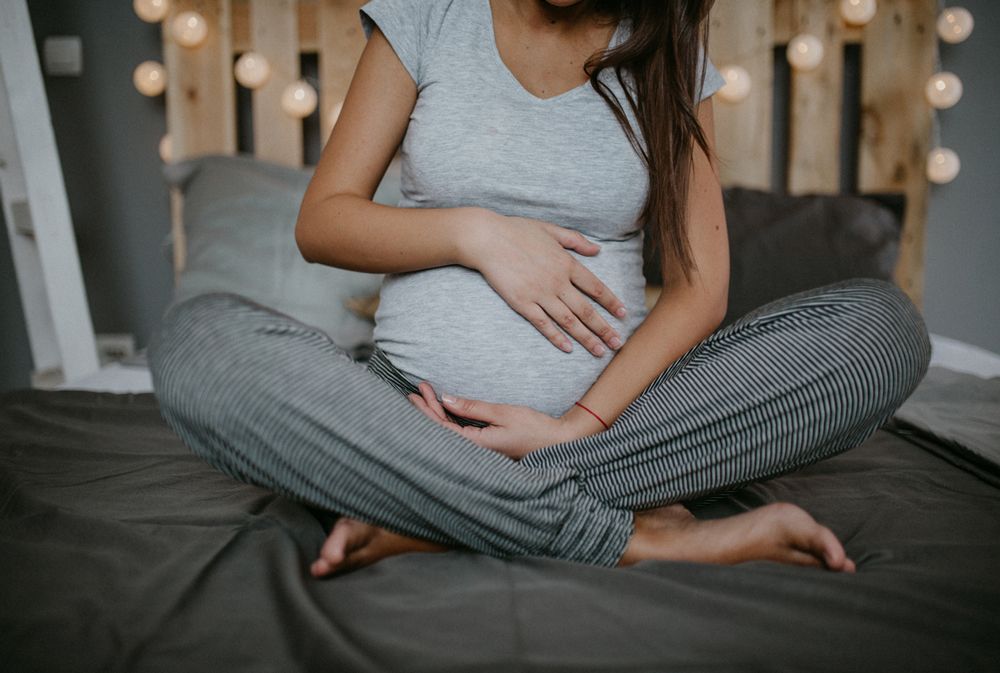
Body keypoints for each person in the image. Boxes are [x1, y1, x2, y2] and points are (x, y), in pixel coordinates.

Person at [149, 0, 931, 579]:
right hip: (409, 411)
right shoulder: (429, 16)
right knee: (200, 344)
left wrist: (579, 427)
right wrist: (477, 232)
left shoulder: (668, 52)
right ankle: (641, 536)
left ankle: (437, 508)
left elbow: (702, 289)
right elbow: (323, 222)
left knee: (883, 329)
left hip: (621, 427)